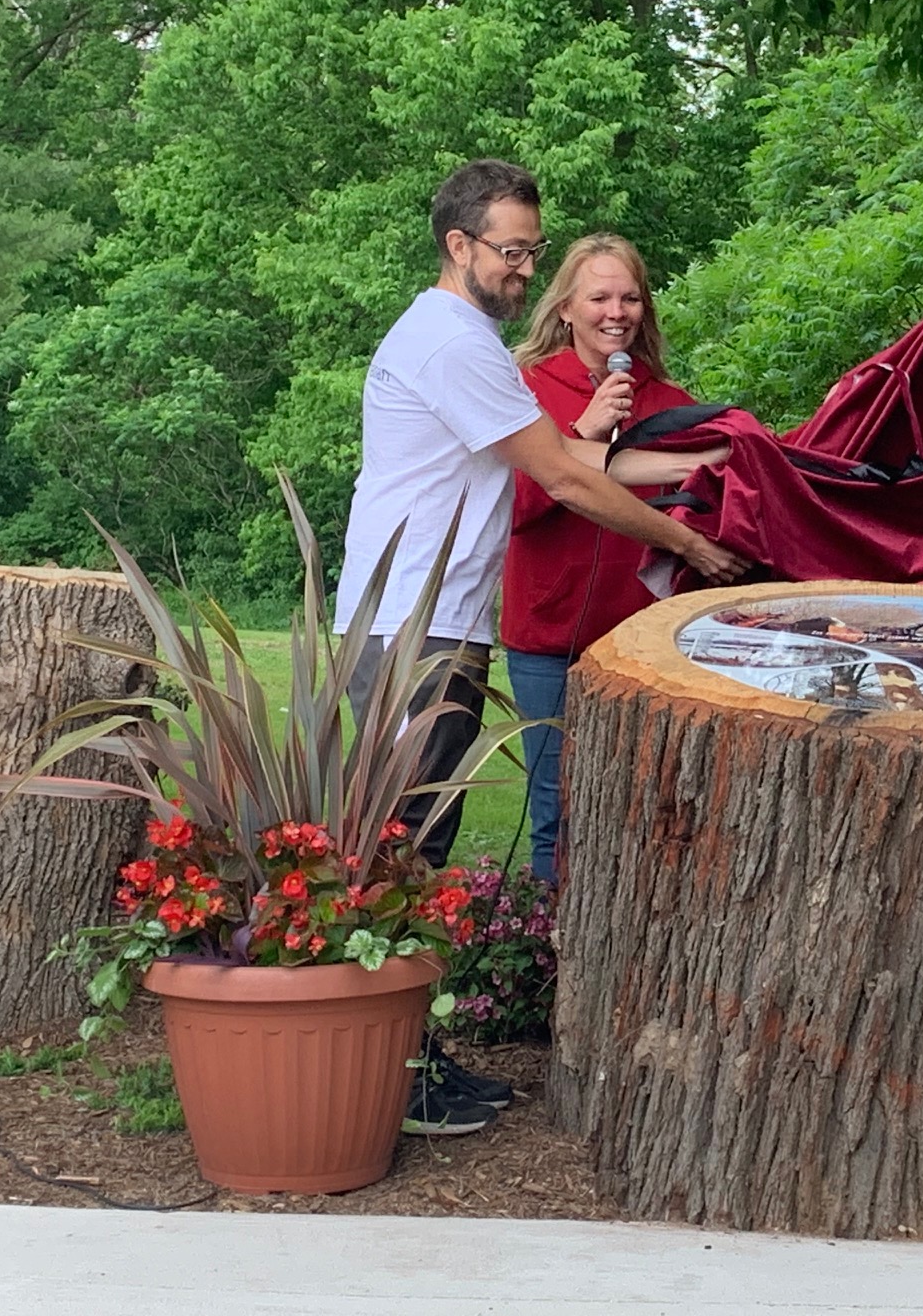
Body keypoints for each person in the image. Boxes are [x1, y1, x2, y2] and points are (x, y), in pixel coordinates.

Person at [335, 160, 744, 1135]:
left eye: (531, 250)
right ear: (459, 246)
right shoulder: (450, 339)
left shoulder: (460, 337)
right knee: (405, 859)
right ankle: (392, 1076)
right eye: (512, 251)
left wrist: (731, 460)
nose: (525, 269)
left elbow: (590, 462)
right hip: (415, 633)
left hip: (432, 628)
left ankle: (409, 1062)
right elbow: (564, 479)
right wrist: (687, 541)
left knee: (413, 854)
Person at [502, 234, 693, 886]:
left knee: (646, 804)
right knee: (557, 806)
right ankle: (548, 960)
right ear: (565, 308)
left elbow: (696, 510)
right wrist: (581, 432)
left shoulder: (670, 403)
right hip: (550, 637)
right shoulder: (522, 391)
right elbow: (516, 510)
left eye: (630, 296)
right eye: (600, 296)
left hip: (645, 641)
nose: (617, 311)